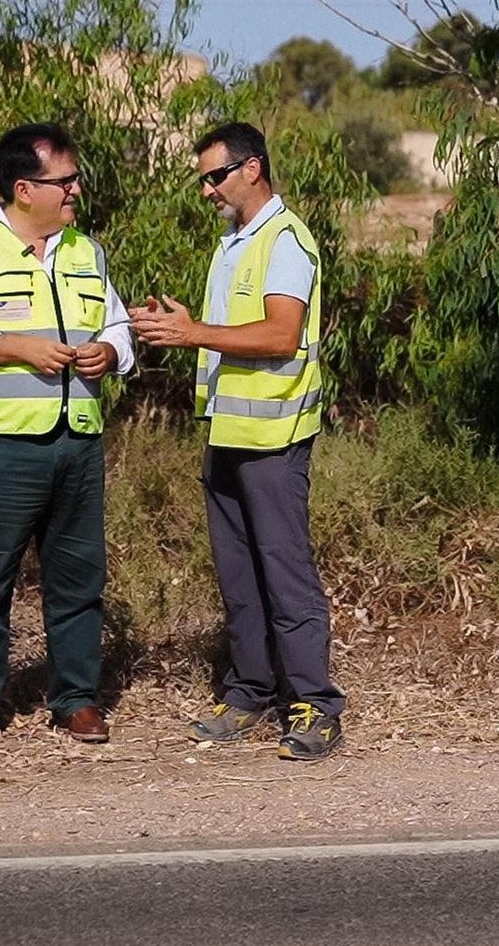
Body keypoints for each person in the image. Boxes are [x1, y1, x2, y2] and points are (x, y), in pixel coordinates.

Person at [131, 121, 344, 760]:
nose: (206, 189)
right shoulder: (233, 241)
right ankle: (249, 692)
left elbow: (281, 336)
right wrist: (179, 327)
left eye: (215, 175)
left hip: (273, 439)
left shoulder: (284, 240)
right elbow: (222, 331)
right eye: (202, 178)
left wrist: (193, 333)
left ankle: (315, 707)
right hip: (227, 435)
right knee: (239, 575)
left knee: (285, 575)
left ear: (252, 169)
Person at [0, 123, 134, 745]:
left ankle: (76, 699)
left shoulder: (86, 251)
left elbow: (117, 326)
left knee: (78, 576)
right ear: (22, 188)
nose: (75, 191)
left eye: (74, 179)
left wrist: (110, 353)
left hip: (78, 442)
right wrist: (15, 349)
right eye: (63, 181)